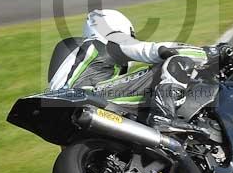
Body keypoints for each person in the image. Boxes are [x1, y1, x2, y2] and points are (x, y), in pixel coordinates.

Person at [49, 9, 223, 131]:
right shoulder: (106, 43)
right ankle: (164, 118)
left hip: (61, 113)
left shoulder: (78, 53)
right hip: (86, 98)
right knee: (177, 61)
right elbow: (159, 50)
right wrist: (209, 53)